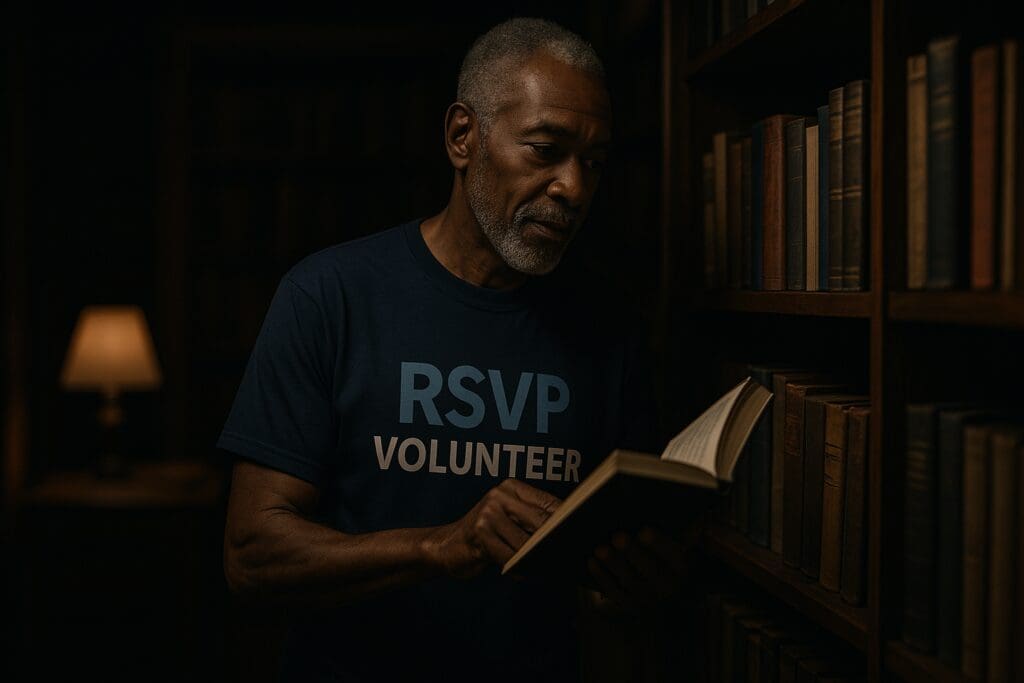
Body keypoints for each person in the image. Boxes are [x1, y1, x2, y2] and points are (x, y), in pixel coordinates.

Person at [220, 17, 689, 683]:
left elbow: (615, 572)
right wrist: (439, 544)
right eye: (545, 149)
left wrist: (636, 578)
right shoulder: (328, 296)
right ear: (463, 137)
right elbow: (250, 554)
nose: (574, 189)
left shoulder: (610, 329)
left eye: (594, 162)